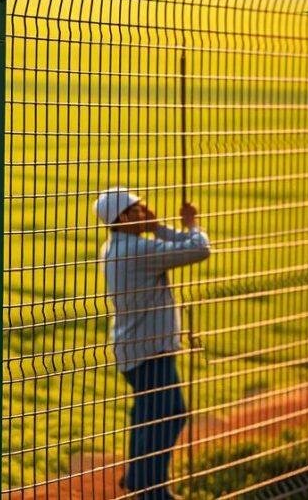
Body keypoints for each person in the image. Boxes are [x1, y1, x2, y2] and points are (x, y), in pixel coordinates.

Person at [95, 187, 211, 500]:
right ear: (121, 219)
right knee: (172, 413)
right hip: (150, 350)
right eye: (137, 210)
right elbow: (197, 249)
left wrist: (155, 228)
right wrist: (190, 223)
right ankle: (152, 490)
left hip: (133, 347)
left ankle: (138, 478)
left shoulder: (115, 247)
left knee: (148, 414)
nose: (145, 213)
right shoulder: (136, 250)